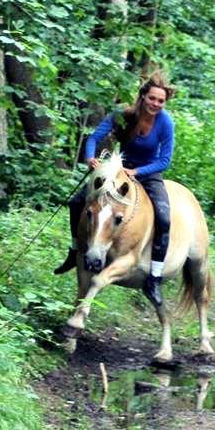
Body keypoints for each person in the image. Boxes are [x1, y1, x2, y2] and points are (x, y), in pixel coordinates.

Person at [54, 71, 175, 308]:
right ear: (143, 96)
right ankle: (75, 250)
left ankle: (154, 278)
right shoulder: (123, 115)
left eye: (161, 101)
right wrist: (91, 159)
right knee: (78, 202)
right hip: (117, 170)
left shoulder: (165, 122)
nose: (156, 104)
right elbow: (92, 138)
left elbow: (165, 160)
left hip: (148, 174)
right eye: (152, 98)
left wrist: (138, 173)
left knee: (164, 216)